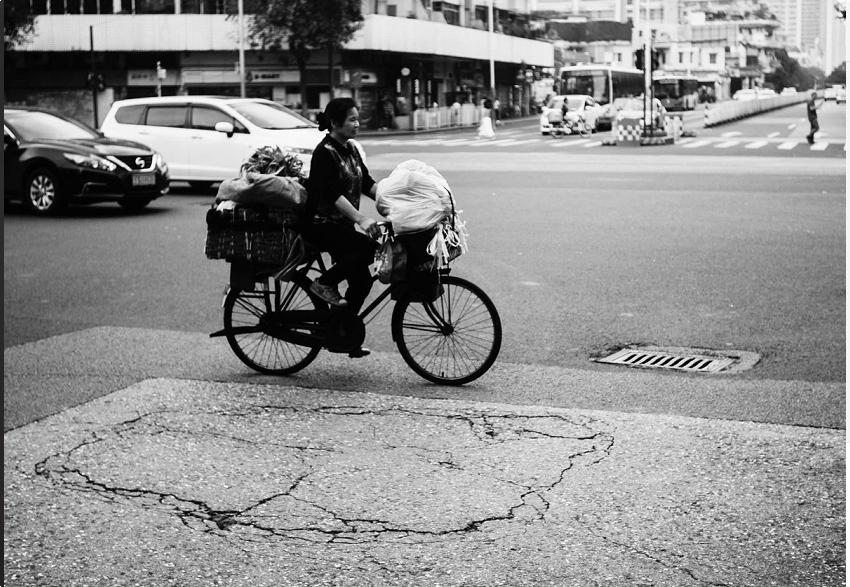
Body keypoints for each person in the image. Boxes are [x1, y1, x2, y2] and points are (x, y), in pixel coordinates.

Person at [304, 97, 382, 357]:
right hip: (320, 224)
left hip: (341, 226)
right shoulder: (324, 152)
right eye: (352, 119)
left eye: (358, 119)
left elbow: (366, 182)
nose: (357, 124)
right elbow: (332, 195)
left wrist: (393, 201)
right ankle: (324, 283)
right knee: (368, 246)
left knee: (362, 281)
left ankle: (343, 332)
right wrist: (362, 219)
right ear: (336, 122)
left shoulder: (351, 149)